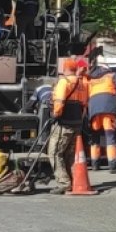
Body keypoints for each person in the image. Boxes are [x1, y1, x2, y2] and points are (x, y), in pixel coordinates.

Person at [47, 57, 89, 195]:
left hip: (64, 123)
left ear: (64, 69)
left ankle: (64, 183)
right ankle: (73, 180)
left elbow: (59, 101)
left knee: (54, 152)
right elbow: (84, 104)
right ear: (75, 68)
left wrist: (55, 114)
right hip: (77, 122)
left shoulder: (63, 82)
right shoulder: (82, 83)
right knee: (70, 154)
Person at [86, 62, 116, 173]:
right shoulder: (111, 75)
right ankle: (113, 165)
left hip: (94, 110)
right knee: (110, 137)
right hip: (108, 109)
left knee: (95, 138)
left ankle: (95, 164)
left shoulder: (91, 79)